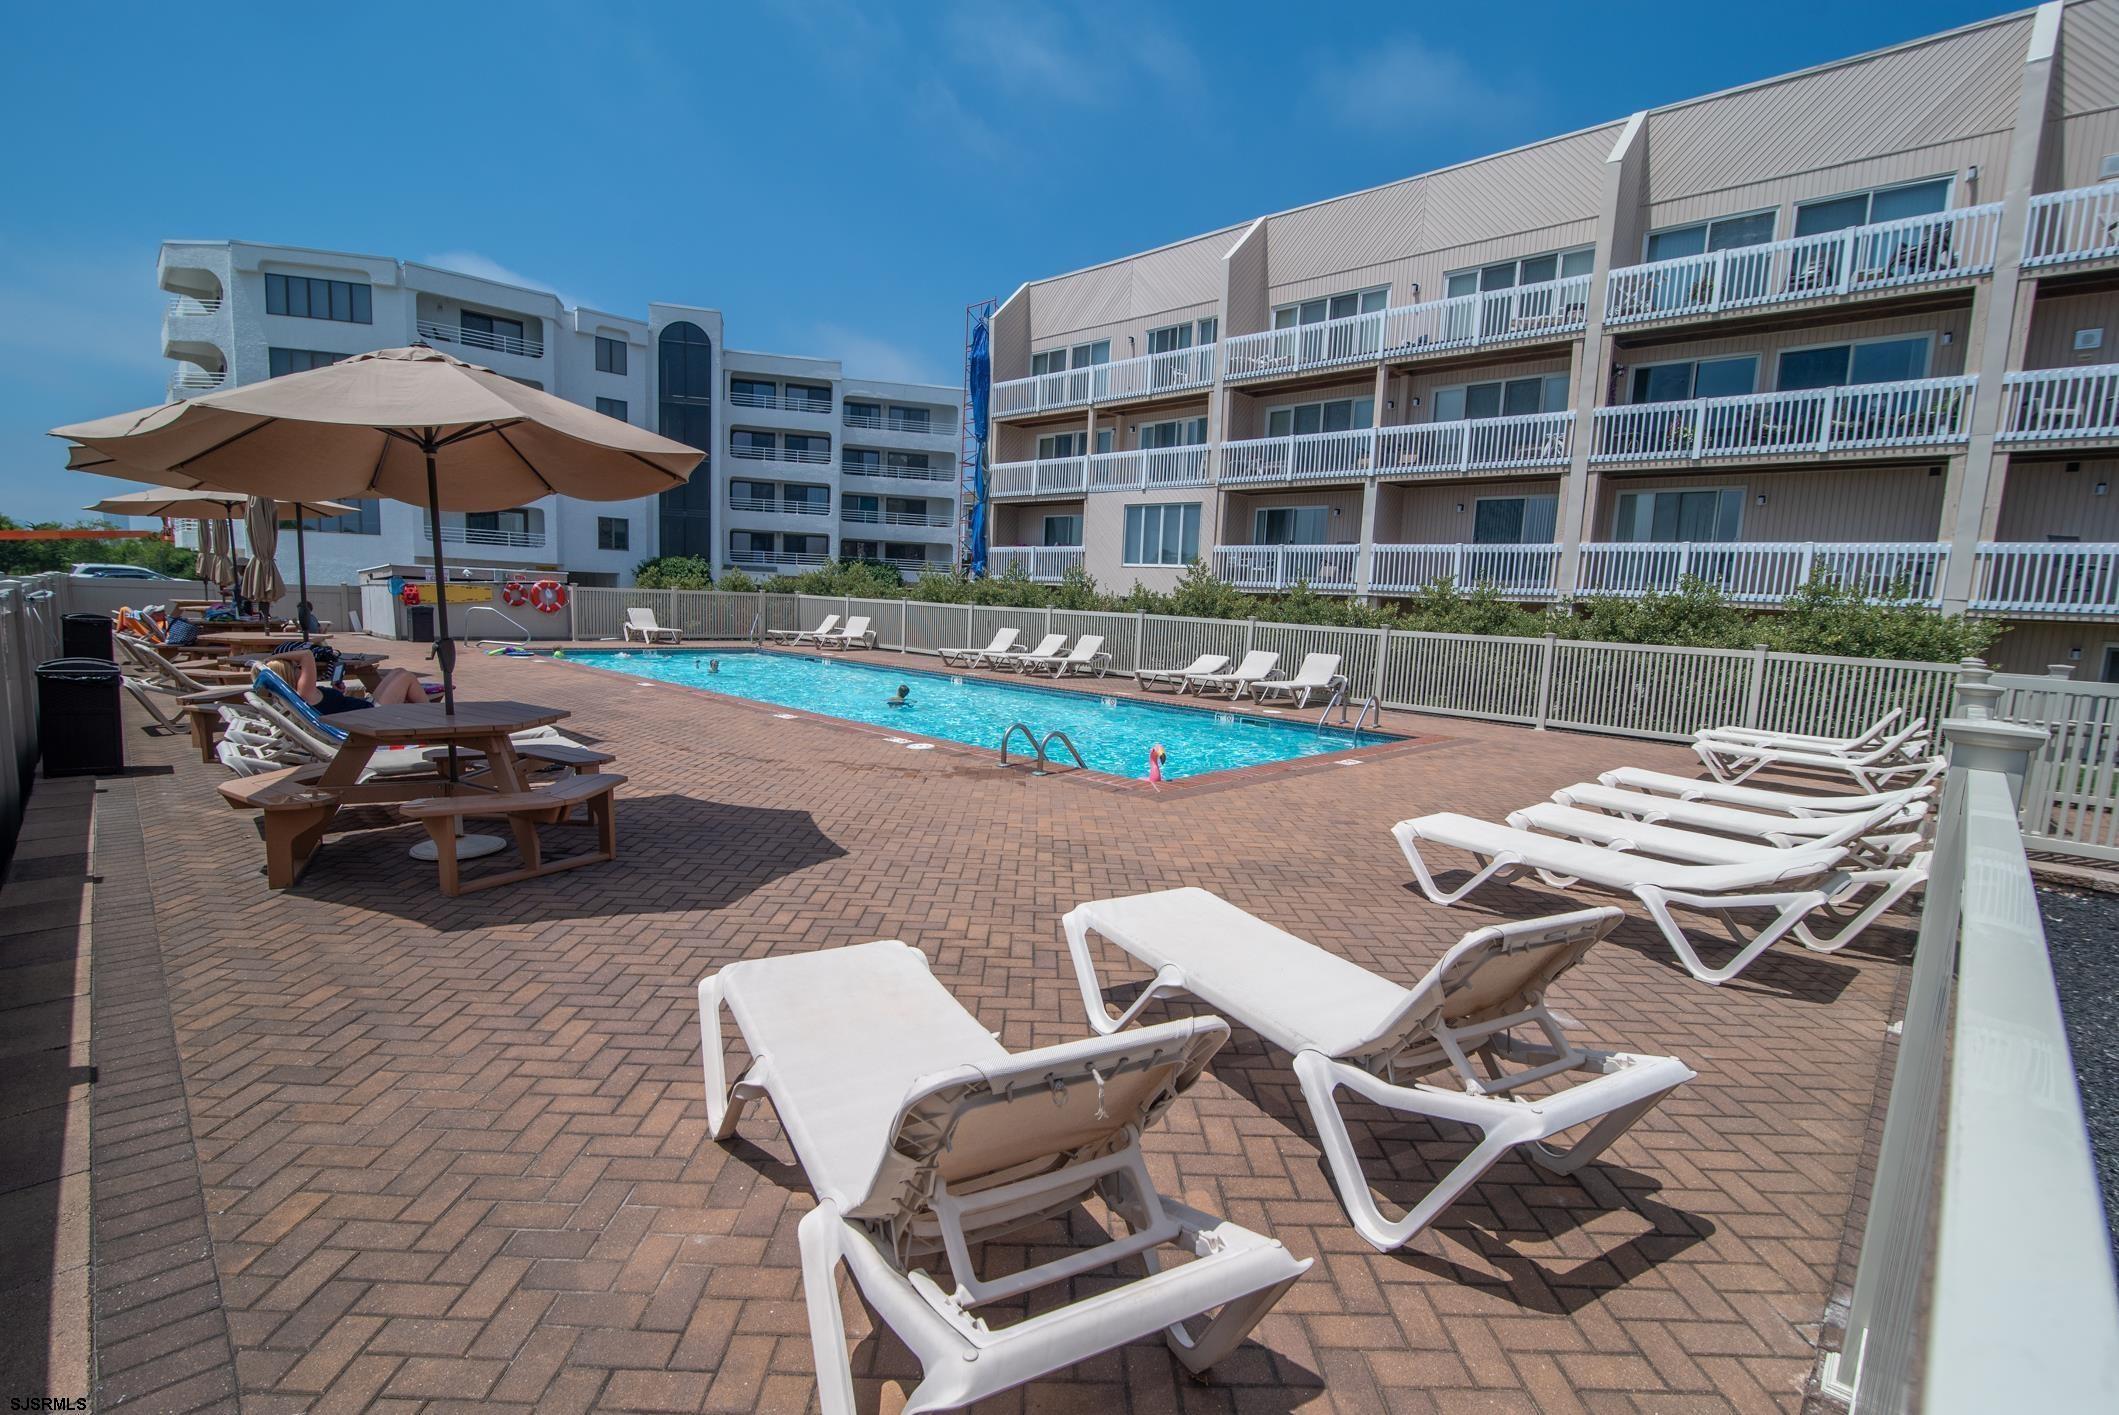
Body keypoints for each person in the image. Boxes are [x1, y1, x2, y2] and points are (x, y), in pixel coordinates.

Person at [264, 649, 426, 714]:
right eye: (296, 667)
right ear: (289, 674)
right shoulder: (304, 692)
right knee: (407, 677)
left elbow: (329, 706)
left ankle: (425, 716)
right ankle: (434, 718)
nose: (300, 668)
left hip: (363, 709)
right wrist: (274, 657)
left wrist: (336, 693)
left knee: (399, 672)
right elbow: (307, 655)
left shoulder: (299, 695)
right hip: (370, 716)